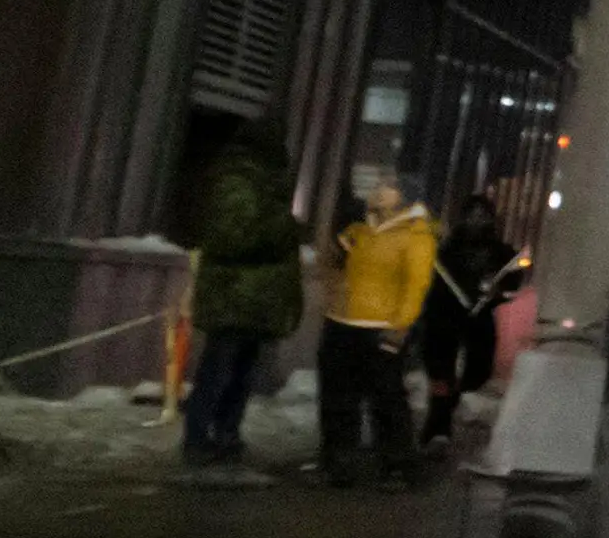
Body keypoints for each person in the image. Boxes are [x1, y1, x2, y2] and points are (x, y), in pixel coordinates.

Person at [180, 122, 305, 467]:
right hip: (233, 297)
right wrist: (282, 229)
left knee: (241, 373)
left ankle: (226, 433)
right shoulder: (236, 182)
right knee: (218, 370)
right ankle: (197, 437)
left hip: (252, 301)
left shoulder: (261, 184)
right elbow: (231, 238)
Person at [320, 177, 436, 488]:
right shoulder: (360, 229)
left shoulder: (416, 235)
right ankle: (338, 461)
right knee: (338, 397)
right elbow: (331, 263)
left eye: (387, 187)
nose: (377, 192)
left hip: (381, 327)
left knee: (386, 398)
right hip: (342, 322)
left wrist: (401, 326)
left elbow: (416, 286)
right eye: (378, 186)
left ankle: (398, 465)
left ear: (404, 197)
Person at [415, 191, 514, 448]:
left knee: (478, 372)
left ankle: (448, 404)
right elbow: (432, 282)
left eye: (482, 216)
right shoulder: (447, 249)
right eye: (472, 215)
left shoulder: (500, 252)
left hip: (479, 318)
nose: (476, 221)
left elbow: (512, 284)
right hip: (444, 316)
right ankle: (437, 427)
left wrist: (498, 293)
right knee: (440, 373)